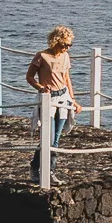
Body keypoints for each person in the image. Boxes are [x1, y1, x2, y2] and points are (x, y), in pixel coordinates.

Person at [26, 25, 77, 180]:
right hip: (48, 99)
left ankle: (50, 171)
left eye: (69, 45)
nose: (67, 48)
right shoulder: (41, 56)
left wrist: (73, 100)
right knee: (46, 138)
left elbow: (67, 78)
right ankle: (35, 167)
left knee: (55, 138)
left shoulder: (65, 57)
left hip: (63, 97)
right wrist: (41, 88)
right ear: (56, 41)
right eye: (64, 45)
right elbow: (29, 77)